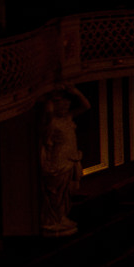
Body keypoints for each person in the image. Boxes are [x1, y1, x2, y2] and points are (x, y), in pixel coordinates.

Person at [38, 85, 90, 236]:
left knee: (66, 193)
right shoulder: (51, 122)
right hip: (57, 161)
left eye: (68, 105)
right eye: (62, 105)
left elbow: (86, 106)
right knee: (56, 194)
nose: (66, 107)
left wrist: (76, 92)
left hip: (70, 158)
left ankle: (60, 217)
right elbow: (47, 113)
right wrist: (49, 98)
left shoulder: (67, 118)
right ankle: (53, 219)